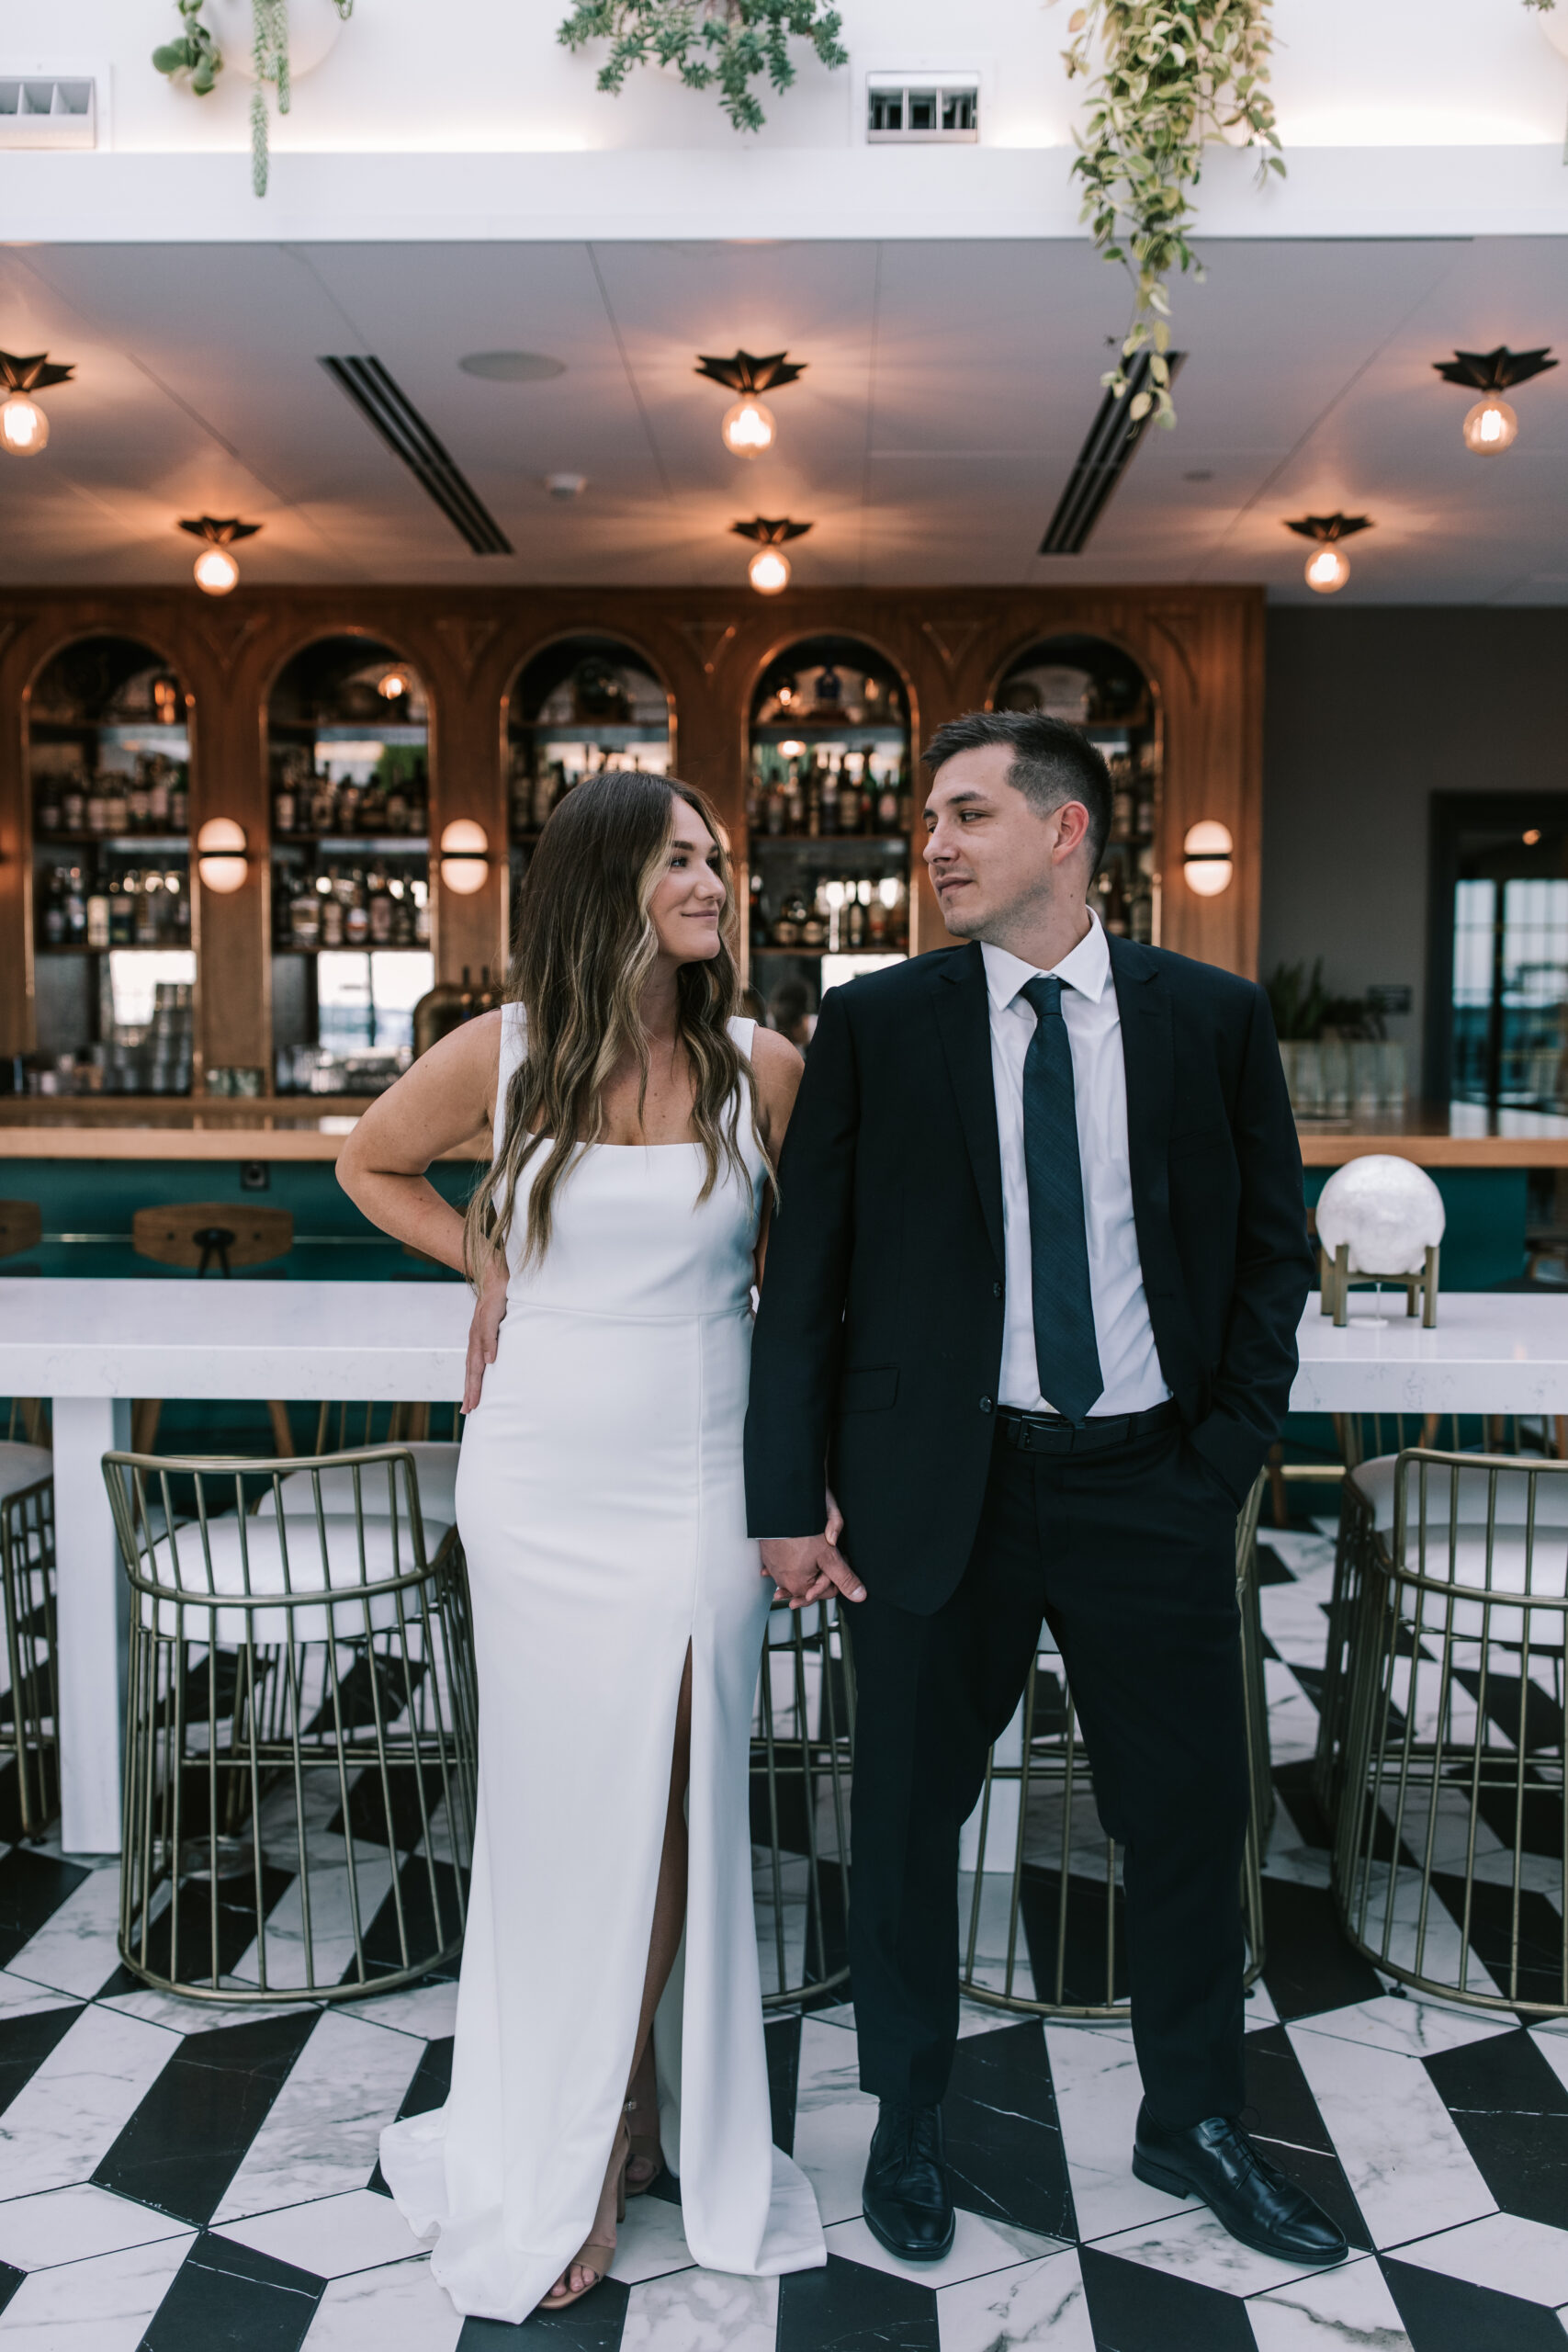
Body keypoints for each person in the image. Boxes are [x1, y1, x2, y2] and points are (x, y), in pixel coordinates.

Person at [744, 710, 1345, 2270]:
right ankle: (909, 2121)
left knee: (1191, 1815)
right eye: (929, 819)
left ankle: (1194, 2116)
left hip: (1154, 1482)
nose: (932, 843)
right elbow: (805, 1276)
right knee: (901, 1826)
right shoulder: (877, 1022)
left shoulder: (1209, 1018)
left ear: (1065, 832)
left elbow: (1277, 1255)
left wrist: (1222, 1455)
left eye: (966, 816)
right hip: (939, 1491)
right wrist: (785, 1497)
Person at [338, 771, 826, 2322]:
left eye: (718, 859)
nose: (711, 880)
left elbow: (814, 1286)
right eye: (681, 857)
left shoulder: (762, 1065)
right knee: (561, 1803)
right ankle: (577, 2119)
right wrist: (483, 1247)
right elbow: (368, 1164)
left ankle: (618, 2116)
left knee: (676, 1783)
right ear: (605, 877)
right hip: (541, 1475)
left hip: (697, 1465)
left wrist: (809, 1478)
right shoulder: (505, 1058)